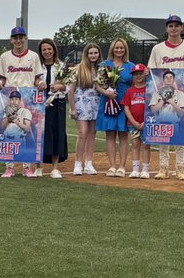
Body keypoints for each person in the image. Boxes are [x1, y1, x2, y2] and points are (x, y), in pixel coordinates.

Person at [147, 15, 184, 181]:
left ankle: (180, 168)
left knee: (181, 135)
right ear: (167, 29)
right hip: (163, 93)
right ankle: (163, 168)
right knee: (163, 133)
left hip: (180, 93)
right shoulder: (158, 49)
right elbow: (151, 70)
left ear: (182, 28)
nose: (174, 28)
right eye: (170, 26)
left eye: (177, 25)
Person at [0, 26, 45, 178]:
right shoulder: (4, 57)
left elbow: (37, 78)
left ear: (25, 39)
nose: (18, 40)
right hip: (11, 97)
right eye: (15, 38)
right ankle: (9, 167)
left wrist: (40, 83)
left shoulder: (33, 56)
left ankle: (27, 167)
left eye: (21, 37)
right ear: (11, 40)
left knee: (26, 131)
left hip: (27, 96)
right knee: (10, 130)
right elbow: (3, 78)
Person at [95, 38, 135, 178]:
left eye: (121, 48)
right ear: (112, 49)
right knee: (110, 135)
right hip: (108, 103)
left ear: (125, 49)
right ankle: (112, 165)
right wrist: (107, 93)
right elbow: (97, 85)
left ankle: (122, 166)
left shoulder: (130, 66)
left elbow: (135, 84)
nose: (119, 50)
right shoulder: (104, 64)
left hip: (124, 104)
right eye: (116, 48)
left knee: (124, 135)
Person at [38, 39, 68, 179]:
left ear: (54, 50)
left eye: (49, 49)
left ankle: (55, 168)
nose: (47, 52)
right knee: (41, 134)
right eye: (44, 49)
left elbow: (68, 86)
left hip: (57, 104)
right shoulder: (37, 66)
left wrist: (60, 87)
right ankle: (38, 166)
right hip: (41, 104)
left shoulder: (61, 66)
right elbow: (33, 80)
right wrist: (39, 82)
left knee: (57, 133)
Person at [71, 43, 102, 176]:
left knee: (92, 134)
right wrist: (73, 108)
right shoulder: (78, 68)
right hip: (81, 103)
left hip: (96, 103)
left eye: (95, 53)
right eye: (90, 53)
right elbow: (70, 90)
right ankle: (78, 163)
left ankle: (89, 163)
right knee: (82, 133)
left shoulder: (101, 69)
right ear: (86, 54)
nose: (93, 55)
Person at [120, 63, 151, 179]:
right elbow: (126, 107)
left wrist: (146, 122)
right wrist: (133, 121)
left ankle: (145, 169)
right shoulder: (130, 91)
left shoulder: (149, 89)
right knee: (135, 144)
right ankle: (135, 169)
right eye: (135, 74)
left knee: (146, 145)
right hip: (133, 124)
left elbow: (153, 107)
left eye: (141, 73)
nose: (138, 76)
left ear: (145, 74)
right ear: (132, 76)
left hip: (147, 123)